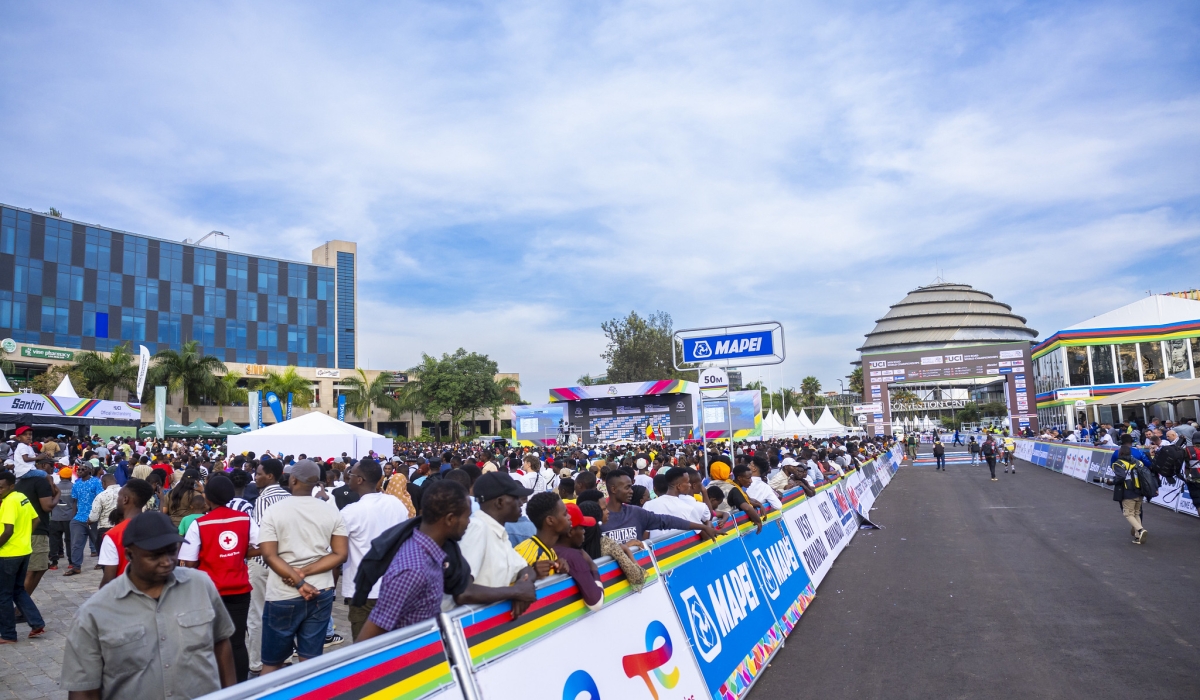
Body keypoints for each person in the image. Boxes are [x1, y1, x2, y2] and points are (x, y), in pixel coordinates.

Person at [60, 511, 237, 699]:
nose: (167, 562)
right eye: (154, 556)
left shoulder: (201, 585)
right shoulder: (93, 614)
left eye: (172, 551)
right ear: (129, 554)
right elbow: (84, 690)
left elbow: (221, 644)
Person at [257, 460, 348, 674]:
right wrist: (304, 574)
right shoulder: (331, 512)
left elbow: (269, 555)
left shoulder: (274, 511)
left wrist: (298, 578)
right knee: (310, 662)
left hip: (282, 593)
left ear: (293, 479)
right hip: (321, 591)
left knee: (272, 663)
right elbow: (340, 554)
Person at [357, 481, 473, 640]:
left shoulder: (432, 555)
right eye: (467, 516)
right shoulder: (413, 571)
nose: (469, 522)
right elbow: (369, 637)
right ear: (450, 519)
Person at [179, 475, 258, 682]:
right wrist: (240, 553)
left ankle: (215, 684)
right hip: (240, 589)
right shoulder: (244, 519)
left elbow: (189, 562)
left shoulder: (200, 524)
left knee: (211, 641)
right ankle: (240, 686)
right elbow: (260, 546)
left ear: (208, 498)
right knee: (238, 641)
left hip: (209, 592)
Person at [338, 458, 410, 641]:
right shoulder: (396, 504)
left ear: (360, 480)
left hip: (364, 593)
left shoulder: (350, 512)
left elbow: (337, 551)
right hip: (395, 588)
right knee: (392, 646)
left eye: (351, 474)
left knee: (365, 653)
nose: (348, 477)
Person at [459, 473, 549, 587]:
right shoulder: (477, 528)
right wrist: (514, 592)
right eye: (516, 498)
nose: (521, 504)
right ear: (500, 502)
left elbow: (524, 569)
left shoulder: (499, 532)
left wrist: (526, 579)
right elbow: (463, 590)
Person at [246, 458, 290, 677]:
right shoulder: (289, 496)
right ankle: (286, 656)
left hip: (264, 562)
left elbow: (264, 536)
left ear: (270, 476)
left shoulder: (263, 500)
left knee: (258, 614)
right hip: (288, 562)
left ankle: (257, 662)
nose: (255, 476)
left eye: (259, 473)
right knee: (283, 612)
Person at [601, 471, 716, 545]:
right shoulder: (598, 517)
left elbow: (667, 521)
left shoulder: (636, 512)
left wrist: (702, 527)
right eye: (627, 487)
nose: (631, 491)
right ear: (614, 489)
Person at [0, 471, 45, 643]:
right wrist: (24, 536)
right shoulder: (21, 497)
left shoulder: (9, 502)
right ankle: (37, 623)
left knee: (3, 595)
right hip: (24, 551)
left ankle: (8, 634)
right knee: (18, 590)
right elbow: (37, 520)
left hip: (8, 554)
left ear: (11, 486)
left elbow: (8, 531)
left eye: (2, 487)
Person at [98, 479, 156, 588]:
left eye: (118, 498)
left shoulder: (113, 535)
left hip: (127, 596)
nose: (117, 501)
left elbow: (108, 580)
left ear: (125, 499)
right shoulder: (157, 527)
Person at [554, 503, 604, 611]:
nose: (584, 532)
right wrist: (593, 566)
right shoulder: (573, 556)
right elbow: (596, 602)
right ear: (571, 532)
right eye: (582, 528)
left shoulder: (545, 548)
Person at [513, 493, 572, 574]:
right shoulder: (524, 554)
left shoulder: (549, 549)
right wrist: (532, 573)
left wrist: (558, 567)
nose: (569, 517)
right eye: (565, 514)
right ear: (550, 521)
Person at [67, 463, 105, 576]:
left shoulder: (96, 482)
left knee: (98, 542)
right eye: (78, 469)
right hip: (79, 518)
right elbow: (74, 502)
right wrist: (73, 518)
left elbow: (100, 499)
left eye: (83, 469)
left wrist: (98, 516)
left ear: (90, 470)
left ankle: (102, 562)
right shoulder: (76, 484)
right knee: (76, 544)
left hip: (93, 518)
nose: (80, 471)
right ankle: (76, 566)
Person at [1112, 445, 1149, 544]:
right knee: (1136, 513)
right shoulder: (1139, 463)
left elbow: (1120, 477)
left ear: (1120, 453)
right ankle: (1138, 537)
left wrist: (1111, 481)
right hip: (1140, 491)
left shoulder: (1118, 463)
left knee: (1128, 514)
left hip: (1128, 491)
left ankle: (1140, 530)